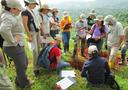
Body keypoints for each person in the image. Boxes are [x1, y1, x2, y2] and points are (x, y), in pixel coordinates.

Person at [0, 0, 31, 88]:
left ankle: (19, 80)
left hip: (16, 45)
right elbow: (3, 30)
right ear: (12, 9)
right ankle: (23, 84)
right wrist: (13, 40)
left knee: (24, 63)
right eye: (18, 10)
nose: (20, 11)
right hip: (13, 46)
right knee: (21, 65)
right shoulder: (8, 17)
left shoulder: (10, 15)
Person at [21, 0, 40, 75]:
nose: (35, 6)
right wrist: (29, 35)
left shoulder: (31, 11)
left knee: (38, 49)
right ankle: (35, 68)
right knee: (35, 51)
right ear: (29, 4)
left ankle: (38, 65)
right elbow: (25, 25)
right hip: (32, 33)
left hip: (36, 31)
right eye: (34, 4)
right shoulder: (25, 12)